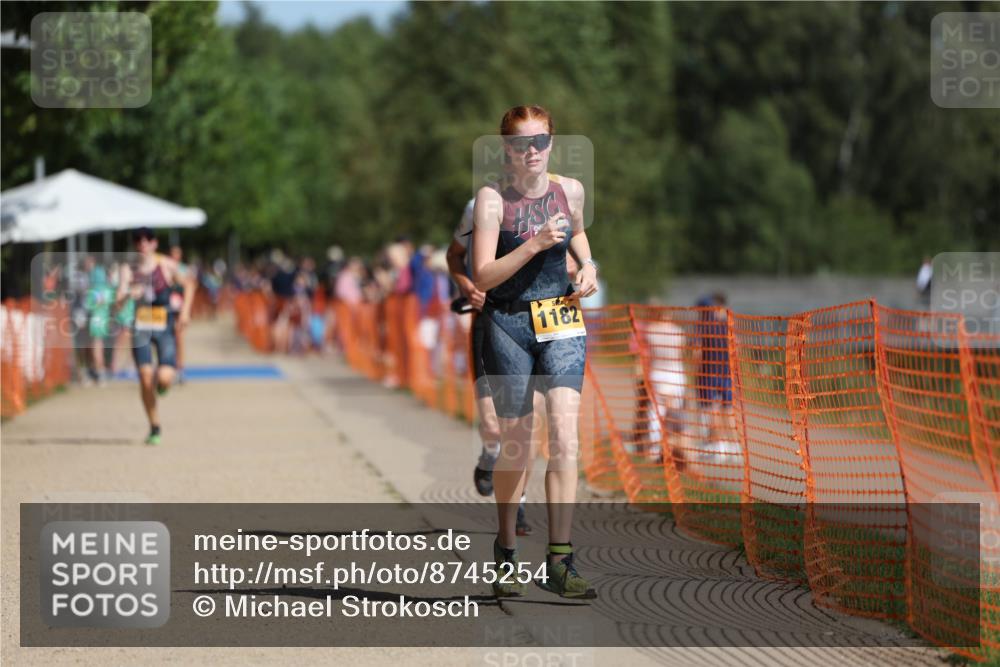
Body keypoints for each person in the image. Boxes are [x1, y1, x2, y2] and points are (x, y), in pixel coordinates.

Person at [471, 105, 599, 599]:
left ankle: (560, 561)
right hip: (507, 323)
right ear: (505, 147)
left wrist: (587, 265)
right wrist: (533, 244)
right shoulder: (491, 201)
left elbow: (580, 234)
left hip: (561, 317)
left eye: (541, 141)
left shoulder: (571, 191)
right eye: (522, 143)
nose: (532, 152)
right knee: (519, 444)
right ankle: (505, 548)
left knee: (566, 437)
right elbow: (482, 275)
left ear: (552, 141)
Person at [447, 199, 533, 537]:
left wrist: (580, 269)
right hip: (490, 321)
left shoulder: (553, 200)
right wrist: (467, 286)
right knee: (494, 426)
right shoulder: (476, 207)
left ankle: (520, 502)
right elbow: (454, 255)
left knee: (525, 426)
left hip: (533, 325)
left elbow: (572, 258)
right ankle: (489, 455)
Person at [117, 228, 194, 445]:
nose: (142, 244)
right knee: (144, 377)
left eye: (147, 240)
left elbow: (189, 284)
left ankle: (162, 386)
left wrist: (185, 312)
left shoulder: (166, 264)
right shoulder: (128, 268)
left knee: (164, 377)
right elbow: (119, 299)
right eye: (138, 240)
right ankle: (154, 426)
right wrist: (128, 295)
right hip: (140, 327)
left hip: (164, 325)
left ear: (154, 243)